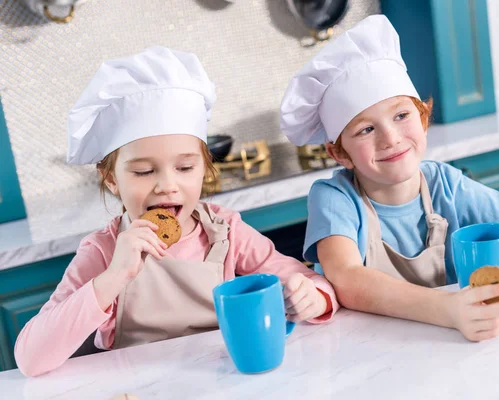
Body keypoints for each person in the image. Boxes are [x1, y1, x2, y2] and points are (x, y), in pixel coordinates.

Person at [15, 46, 339, 377]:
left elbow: (306, 279)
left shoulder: (224, 230)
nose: (167, 185)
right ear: (112, 179)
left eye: (185, 167)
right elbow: (29, 357)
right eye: (143, 172)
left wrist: (316, 297)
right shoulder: (103, 250)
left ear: (204, 168)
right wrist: (113, 277)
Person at [279, 15, 499, 342]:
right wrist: (447, 309)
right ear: (339, 154)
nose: (391, 138)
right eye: (366, 129)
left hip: (452, 343)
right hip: (374, 356)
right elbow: (347, 278)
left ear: (423, 119)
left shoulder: (446, 185)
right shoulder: (335, 197)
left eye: (401, 115)